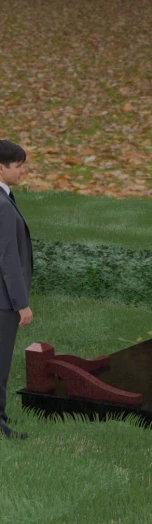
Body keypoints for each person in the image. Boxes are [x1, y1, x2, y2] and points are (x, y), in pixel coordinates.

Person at [0, 139, 32, 439]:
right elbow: (8, 259)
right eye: (18, 166)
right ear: (1, 168)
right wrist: (21, 303)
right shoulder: (3, 206)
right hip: (3, 301)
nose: (22, 171)